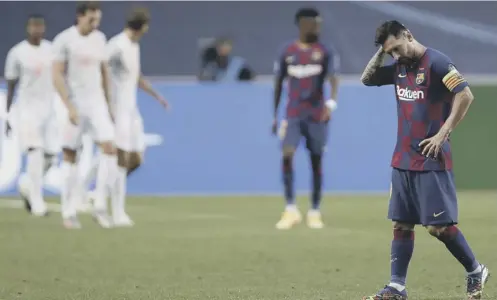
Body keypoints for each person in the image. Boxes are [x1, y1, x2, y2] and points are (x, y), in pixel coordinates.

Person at [360, 20, 489, 300]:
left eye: (397, 48)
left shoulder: (438, 63)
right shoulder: (398, 66)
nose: (396, 56)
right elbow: (367, 79)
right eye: (390, 52)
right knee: (401, 224)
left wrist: (443, 133)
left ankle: (475, 269)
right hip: (402, 157)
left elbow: (465, 94)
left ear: (408, 34)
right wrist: (384, 52)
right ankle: (397, 286)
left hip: (431, 157)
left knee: (437, 227)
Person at [272, 8, 340, 230]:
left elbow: (333, 79)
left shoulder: (324, 51)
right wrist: (274, 115)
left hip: (316, 115)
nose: (317, 27)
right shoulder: (288, 52)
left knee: (316, 160)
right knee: (287, 153)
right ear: (302, 24)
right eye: (313, 23)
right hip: (292, 114)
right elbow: (278, 83)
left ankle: (314, 211)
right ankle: (291, 209)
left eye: (318, 23)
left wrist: (331, 104)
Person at [52, 1, 116, 229]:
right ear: (80, 16)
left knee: (110, 150)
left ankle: (99, 206)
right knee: (70, 155)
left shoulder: (100, 39)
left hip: (97, 103)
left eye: (97, 20)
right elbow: (57, 74)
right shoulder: (65, 40)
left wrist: (110, 105)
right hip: (75, 104)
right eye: (91, 19)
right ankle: (68, 213)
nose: (95, 24)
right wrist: (68, 105)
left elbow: (105, 73)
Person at [106, 7, 168, 226]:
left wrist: (156, 95)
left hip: (131, 109)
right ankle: (117, 212)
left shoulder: (134, 46)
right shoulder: (116, 45)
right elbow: (100, 68)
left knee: (136, 159)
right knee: (120, 160)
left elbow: (135, 77)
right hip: (118, 109)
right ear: (142, 26)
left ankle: (98, 190)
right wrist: (106, 102)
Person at [4, 14, 58, 216]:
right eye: (33, 26)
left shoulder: (51, 50)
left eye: (40, 26)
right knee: (35, 153)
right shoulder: (17, 53)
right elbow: (11, 85)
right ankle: (37, 204)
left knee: (51, 157)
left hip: (48, 111)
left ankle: (27, 184)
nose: (37, 30)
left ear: (44, 29)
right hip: (27, 111)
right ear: (28, 28)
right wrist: (8, 115)